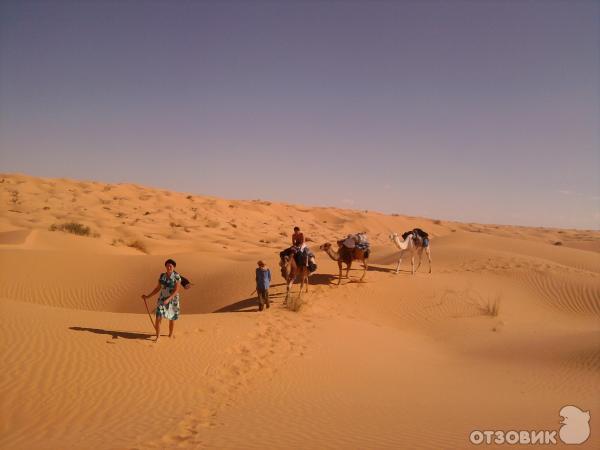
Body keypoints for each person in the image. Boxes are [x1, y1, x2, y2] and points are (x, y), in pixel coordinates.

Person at [141, 258, 181, 342]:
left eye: (171, 266)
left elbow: (177, 290)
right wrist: (148, 296)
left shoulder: (177, 276)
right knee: (158, 317)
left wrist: (169, 299)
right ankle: (158, 336)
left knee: (172, 318)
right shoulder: (162, 276)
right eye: (167, 266)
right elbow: (158, 288)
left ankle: (170, 334)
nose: (169, 267)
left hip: (173, 300)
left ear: (173, 267)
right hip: (162, 299)